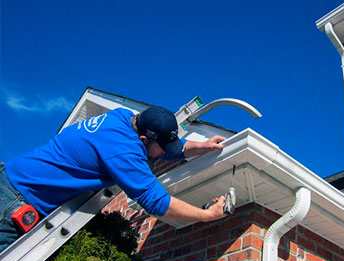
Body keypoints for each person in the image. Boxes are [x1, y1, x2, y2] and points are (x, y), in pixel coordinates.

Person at [0, 105, 227, 252]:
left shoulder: (123, 116)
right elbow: (156, 201)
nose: (165, 153)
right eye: (162, 147)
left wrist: (202, 146)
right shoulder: (123, 150)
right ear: (142, 139)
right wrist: (207, 215)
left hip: (11, 182)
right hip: (15, 202)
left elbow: (161, 149)